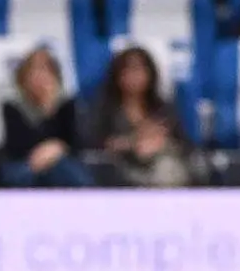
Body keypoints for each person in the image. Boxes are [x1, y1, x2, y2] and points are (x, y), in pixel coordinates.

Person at [84, 45, 196, 188]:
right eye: (128, 70)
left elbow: (185, 144)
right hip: (120, 171)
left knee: (167, 168)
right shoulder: (104, 110)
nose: (134, 76)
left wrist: (160, 142)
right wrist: (131, 143)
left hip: (162, 165)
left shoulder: (162, 108)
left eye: (139, 69)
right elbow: (91, 145)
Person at [0, 46, 92, 188]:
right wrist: (45, 151)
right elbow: (16, 146)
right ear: (23, 78)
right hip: (25, 163)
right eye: (33, 72)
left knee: (69, 172)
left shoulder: (67, 105)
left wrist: (56, 148)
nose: (40, 78)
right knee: (17, 175)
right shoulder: (12, 107)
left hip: (60, 161)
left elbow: (76, 143)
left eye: (45, 71)